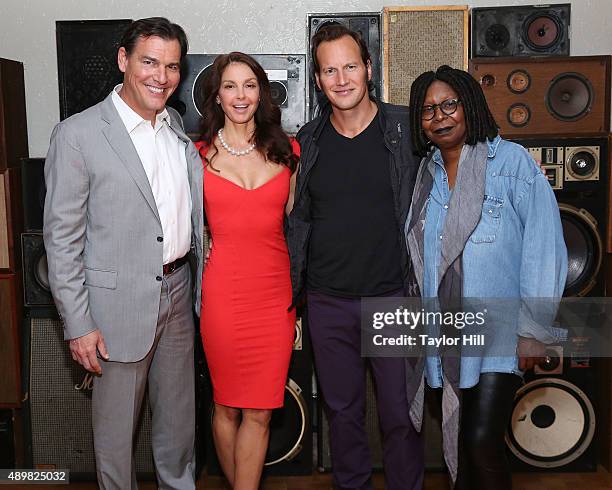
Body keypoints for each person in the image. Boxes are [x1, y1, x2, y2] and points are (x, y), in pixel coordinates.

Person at [43, 17, 203, 489]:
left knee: (178, 432)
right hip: (113, 309)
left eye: (172, 66)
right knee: (115, 441)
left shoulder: (174, 126)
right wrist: (78, 323)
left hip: (177, 292)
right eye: (149, 62)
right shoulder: (78, 134)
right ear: (123, 60)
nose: (161, 76)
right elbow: (61, 238)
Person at [405, 65, 567, 490]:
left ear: (469, 106)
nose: (439, 117)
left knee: (480, 440)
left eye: (448, 105)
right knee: (462, 443)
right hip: (447, 336)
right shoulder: (426, 174)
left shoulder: (511, 163)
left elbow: (544, 247)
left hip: (500, 334)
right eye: (427, 110)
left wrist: (533, 329)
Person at [287, 23, 423, 490]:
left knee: (400, 416)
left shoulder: (406, 129)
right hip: (327, 302)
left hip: (394, 298)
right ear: (319, 80)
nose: (341, 78)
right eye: (329, 70)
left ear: (368, 69)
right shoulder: (307, 142)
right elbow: (296, 220)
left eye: (349, 66)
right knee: (342, 414)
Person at [195, 52, 299, 490]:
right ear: (216, 95)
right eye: (231, 86)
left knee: (261, 409)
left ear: (263, 92)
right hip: (223, 294)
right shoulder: (196, 155)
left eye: (250, 85)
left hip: (275, 296)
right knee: (226, 406)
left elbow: (295, 227)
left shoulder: (287, 150)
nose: (241, 95)